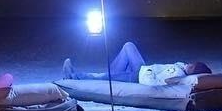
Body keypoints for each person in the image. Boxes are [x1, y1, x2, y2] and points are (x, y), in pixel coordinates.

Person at [61, 41, 212, 85]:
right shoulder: (180, 67)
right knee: (128, 46)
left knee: (103, 78)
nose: (189, 64)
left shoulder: (178, 74)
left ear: (192, 71)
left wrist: (146, 73)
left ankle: (73, 76)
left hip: (138, 76)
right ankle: (111, 73)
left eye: (191, 66)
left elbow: (156, 83)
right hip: (142, 69)